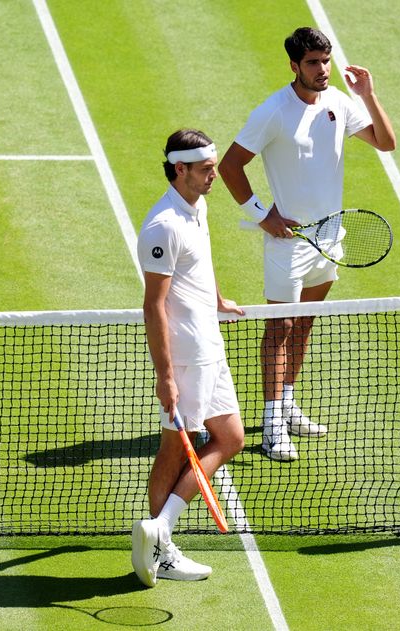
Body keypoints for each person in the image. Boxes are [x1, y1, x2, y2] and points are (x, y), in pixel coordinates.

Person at [218, 26, 396, 461]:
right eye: (313, 63)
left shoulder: (338, 102)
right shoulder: (273, 112)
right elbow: (230, 165)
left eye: (326, 61)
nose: (322, 70)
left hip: (330, 237)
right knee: (279, 330)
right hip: (289, 244)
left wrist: (368, 94)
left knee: (305, 326)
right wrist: (263, 215)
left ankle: (288, 403)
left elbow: (386, 143)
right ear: (294, 66)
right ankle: (272, 424)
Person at [131, 129, 246, 587]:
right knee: (176, 447)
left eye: (214, 166)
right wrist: (165, 377)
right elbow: (153, 304)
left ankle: (160, 529)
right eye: (205, 169)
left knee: (231, 437)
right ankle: (161, 544)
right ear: (179, 169)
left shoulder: (197, 207)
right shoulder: (163, 226)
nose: (214, 175)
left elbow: (200, 264)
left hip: (210, 346)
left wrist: (216, 298)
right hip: (186, 355)